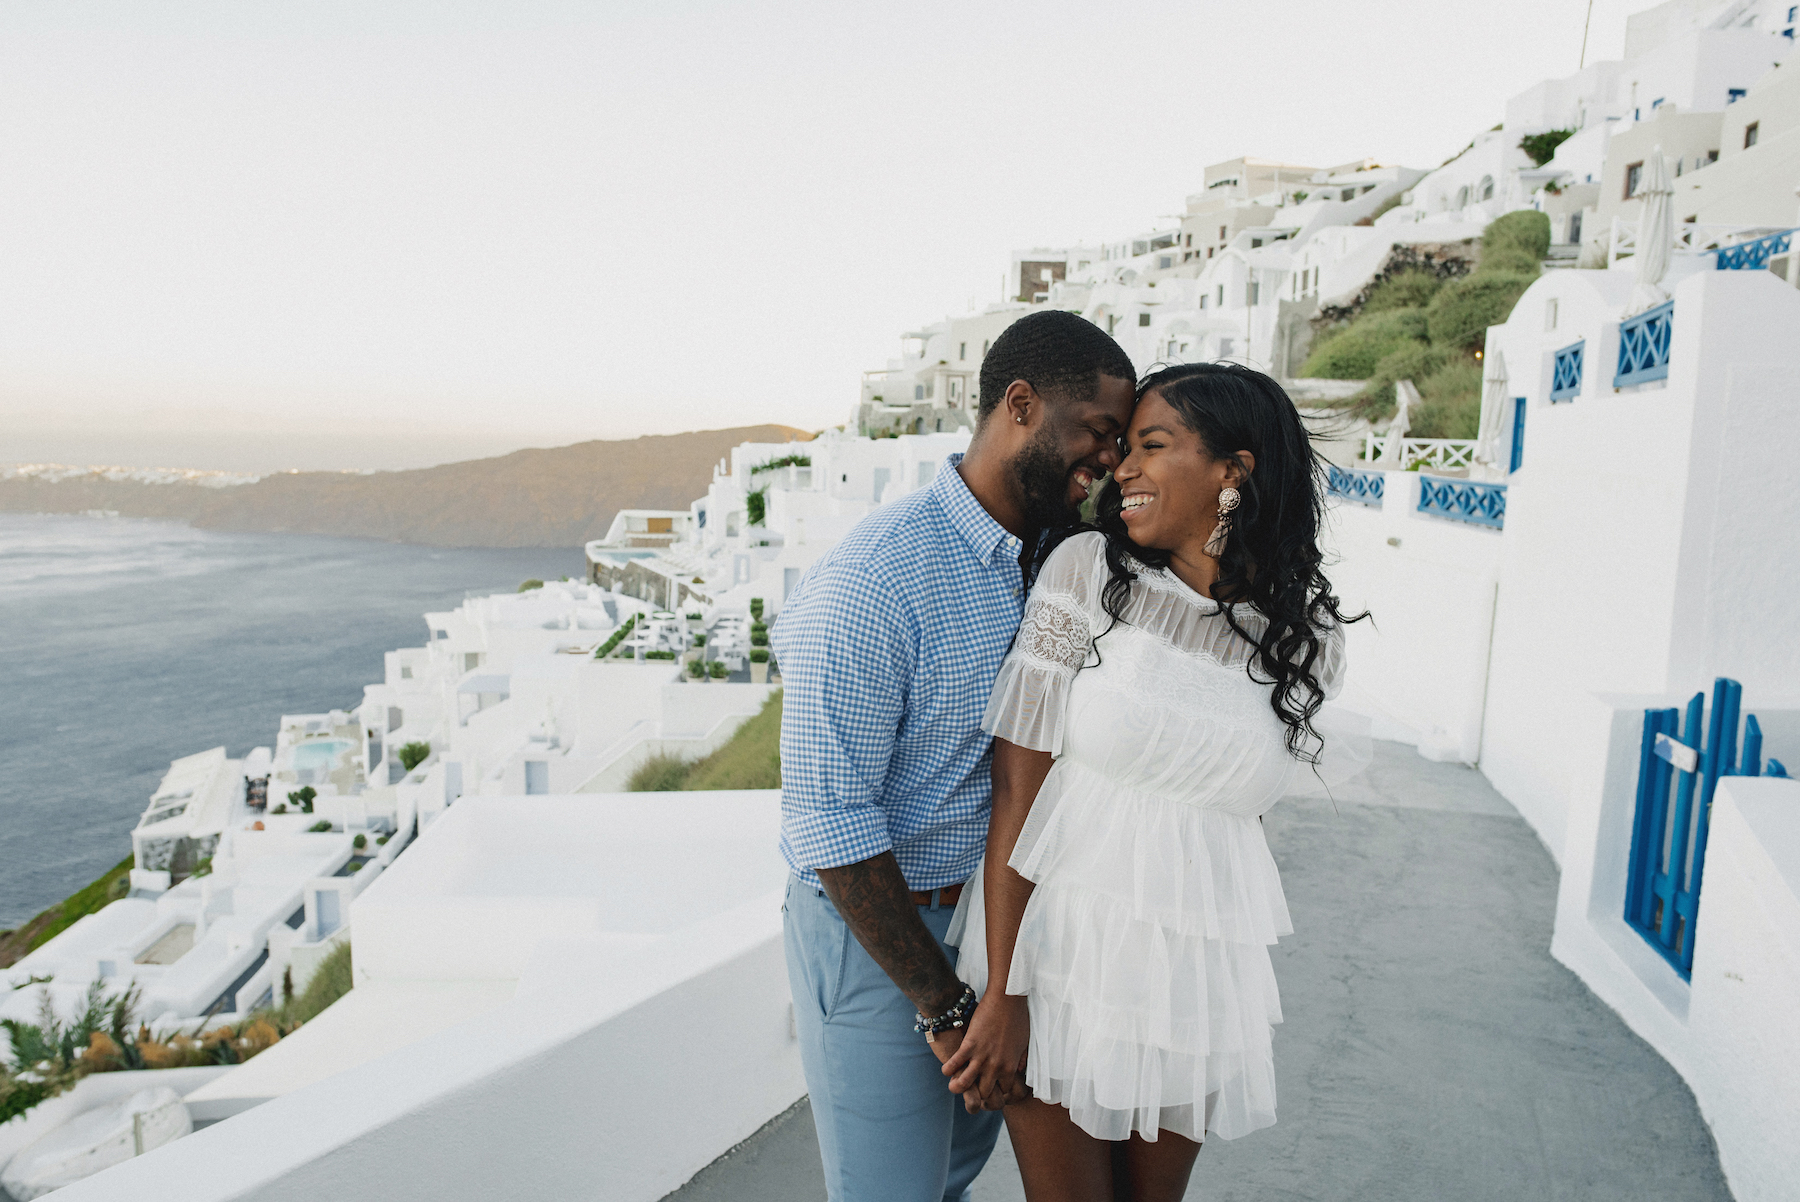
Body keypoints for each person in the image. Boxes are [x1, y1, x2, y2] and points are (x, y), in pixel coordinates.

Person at [943, 362, 1367, 1202]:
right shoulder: (1087, 575)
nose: (1121, 469)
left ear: (1232, 471)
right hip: (1059, 954)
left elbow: (1229, 815)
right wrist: (1005, 989)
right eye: (1123, 447)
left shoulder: (1307, 640)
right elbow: (1018, 800)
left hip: (1190, 976)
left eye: (1152, 446)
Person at [771, 310, 1137, 1202]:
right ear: (1021, 404)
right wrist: (943, 1007)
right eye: (1098, 432)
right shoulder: (874, 582)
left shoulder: (1064, 558)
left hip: (1001, 930)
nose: (1111, 461)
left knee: (949, 1180)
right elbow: (831, 820)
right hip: (883, 940)